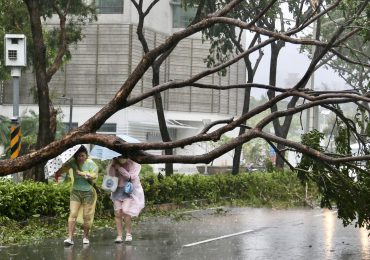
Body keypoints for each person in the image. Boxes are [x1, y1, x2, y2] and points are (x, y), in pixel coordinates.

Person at [56, 145, 99, 246]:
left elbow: (94, 175)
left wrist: (84, 174)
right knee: (73, 213)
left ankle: (85, 237)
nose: (80, 158)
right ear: (75, 157)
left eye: (82, 155)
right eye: (78, 156)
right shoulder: (73, 163)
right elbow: (62, 170)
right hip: (76, 192)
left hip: (88, 192)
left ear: (86, 155)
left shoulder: (91, 164)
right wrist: (61, 166)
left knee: (86, 216)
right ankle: (70, 238)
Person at [107, 156, 145, 243]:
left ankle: (128, 234)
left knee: (126, 211)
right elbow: (111, 177)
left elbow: (130, 177)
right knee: (117, 213)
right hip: (116, 191)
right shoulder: (113, 163)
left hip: (127, 191)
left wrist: (119, 168)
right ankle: (119, 236)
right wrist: (112, 167)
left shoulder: (131, 163)